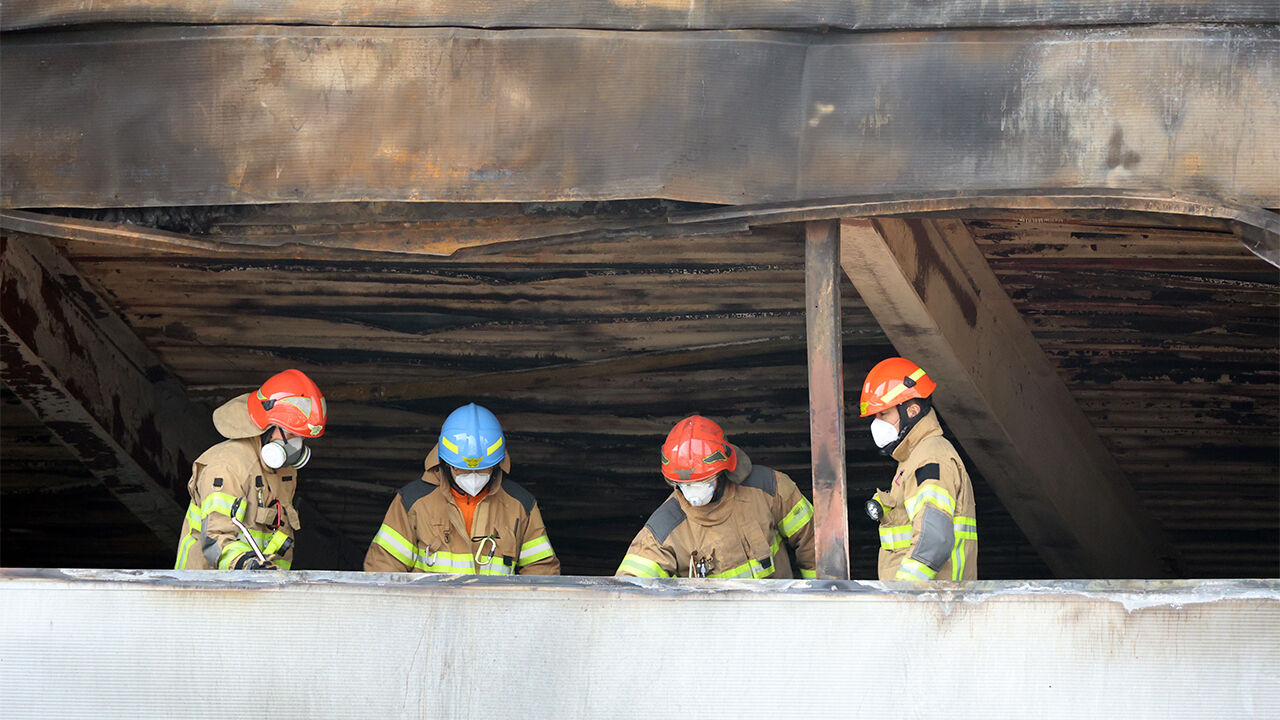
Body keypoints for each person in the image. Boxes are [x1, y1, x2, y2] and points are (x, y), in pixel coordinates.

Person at [364, 403, 560, 575]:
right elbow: (383, 570)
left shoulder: (520, 505)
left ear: (497, 463)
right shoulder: (412, 502)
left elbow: (541, 572)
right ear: (446, 463)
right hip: (429, 616)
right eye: (462, 468)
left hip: (494, 615)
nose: (473, 475)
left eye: (482, 467)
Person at [616, 415, 816, 579]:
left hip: (779, 620)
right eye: (684, 485)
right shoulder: (664, 528)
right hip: (713, 626)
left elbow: (814, 544)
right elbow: (628, 590)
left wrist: (821, 609)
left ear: (723, 470)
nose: (693, 492)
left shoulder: (769, 489)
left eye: (702, 481)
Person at [175, 369, 327, 570]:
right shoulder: (226, 466)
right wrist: (247, 566)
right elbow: (216, 538)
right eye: (290, 434)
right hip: (204, 592)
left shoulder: (284, 473)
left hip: (254, 592)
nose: (297, 445)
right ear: (268, 426)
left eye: (302, 438)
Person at [860, 357, 977, 582]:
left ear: (911, 410)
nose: (877, 423)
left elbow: (934, 540)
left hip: (933, 605)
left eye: (883, 414)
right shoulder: (913, 458)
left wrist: (904, 595)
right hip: (927, 603)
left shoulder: (930, 458)